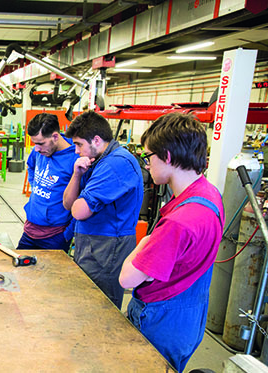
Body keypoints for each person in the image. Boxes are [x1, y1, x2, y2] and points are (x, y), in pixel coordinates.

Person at [119, 113, 224, 372]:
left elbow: (127, 280)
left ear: (166, 156)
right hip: (188, 315)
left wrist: (144, 242)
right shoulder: (209, 194)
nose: (146, 165)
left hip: (160, 320)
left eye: (148, 157)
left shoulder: (180, 221)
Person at [62, 110, 143, 308]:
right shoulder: (96, 162)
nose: (76, 151)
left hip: (107, 248)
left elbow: (79, 211)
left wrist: (79, 203)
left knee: (100, 306)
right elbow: (67, 204)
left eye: (79, 144)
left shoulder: (116, 163)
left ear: (96, 140)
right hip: (92, 243)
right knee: (86, 302)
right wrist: (76, 175)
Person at [18, 113, 78, 252]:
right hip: (30, 229)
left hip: (55, 236)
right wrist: (35, 185)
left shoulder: (75, 159)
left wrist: (67, 235)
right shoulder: (39, 151)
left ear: (55, 137)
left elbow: (82, 200)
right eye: (35, 144)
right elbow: (31, 166)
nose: (37, 149)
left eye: (40, 143)